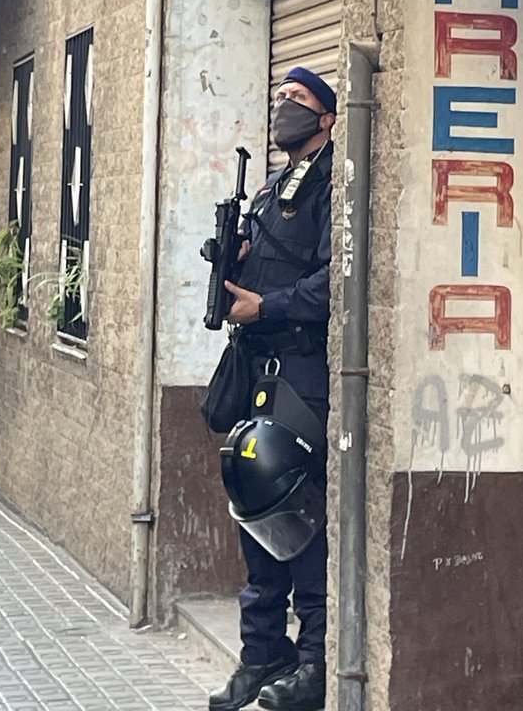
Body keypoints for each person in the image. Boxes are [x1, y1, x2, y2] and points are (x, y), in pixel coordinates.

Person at [209, 66, 335, 711]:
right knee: (253, 509)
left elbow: (335, 277)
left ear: (327, 119)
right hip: (258, 369)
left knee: (299, 513)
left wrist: (270, 306)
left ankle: (315, 660)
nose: (283, 105)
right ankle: (263, 653)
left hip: (303, 369)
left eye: (298, 99)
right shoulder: (268, 188)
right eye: (279, 96)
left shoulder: (331, 184)